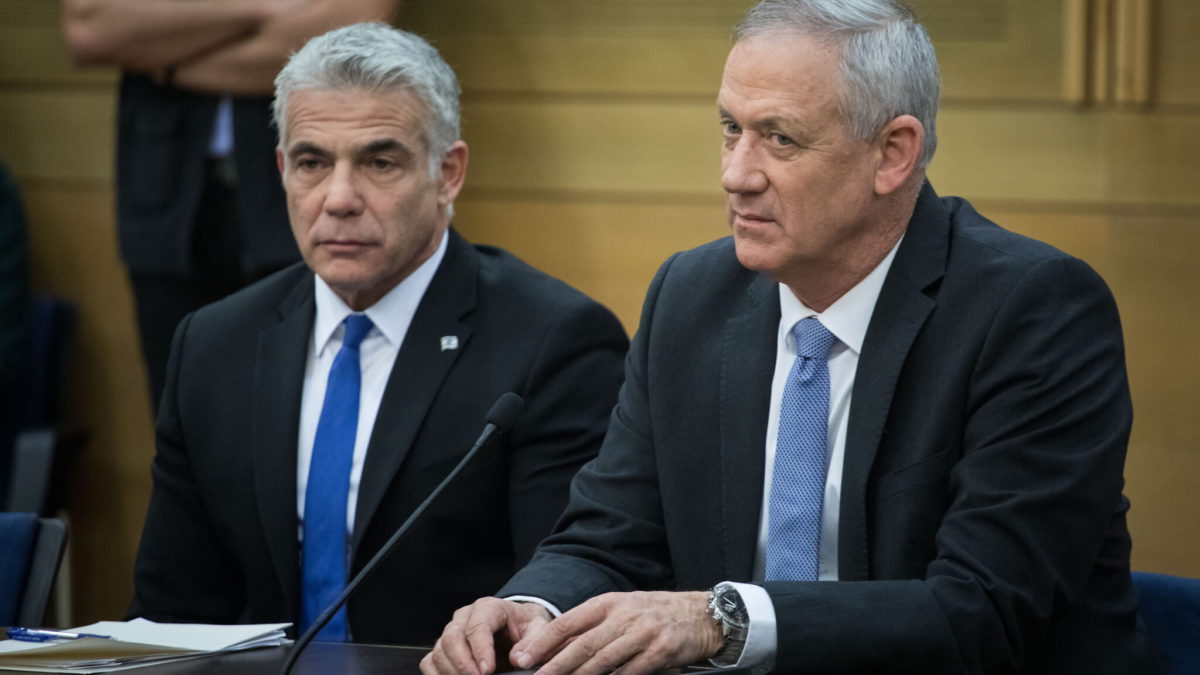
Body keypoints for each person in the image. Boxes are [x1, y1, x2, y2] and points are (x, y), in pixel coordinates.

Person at [422, 1, 1161, 674]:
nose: (737, 175)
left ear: (894, 153)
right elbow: (608, 537)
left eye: (778, 138)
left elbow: (985, 610)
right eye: (730, 129)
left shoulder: (1032, 310)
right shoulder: (692, 296)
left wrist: (723, 619)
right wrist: (532, 608)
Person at [129, 22, 628, 646]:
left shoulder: (553, 343)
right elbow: (172, 610)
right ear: (282, 169)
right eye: (312, 162)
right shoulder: (213, 344)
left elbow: (562, 585)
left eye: (379, 162)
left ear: (448, 174)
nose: (339, 198)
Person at [61, 0, 402, 410]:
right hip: (165, 194)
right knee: (184, 413)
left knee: (303, 413)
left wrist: (169, 64)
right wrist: (264, 7)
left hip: (305, 197)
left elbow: (351, 22)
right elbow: (91, 28)